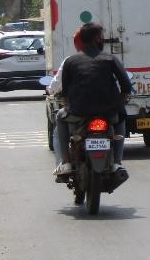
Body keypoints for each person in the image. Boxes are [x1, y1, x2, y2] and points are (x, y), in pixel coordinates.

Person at [53, 23, 132, 177]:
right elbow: (126, 86)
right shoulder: (110, 59)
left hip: (78, 111)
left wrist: (69, 105)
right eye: (101, 37)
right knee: (121, 117)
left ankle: (66, 162)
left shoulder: (70, 61)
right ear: (97, 39)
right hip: (108, 112)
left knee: (59, 118)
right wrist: (119, 102)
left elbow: (65, 92)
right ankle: (117, 162)